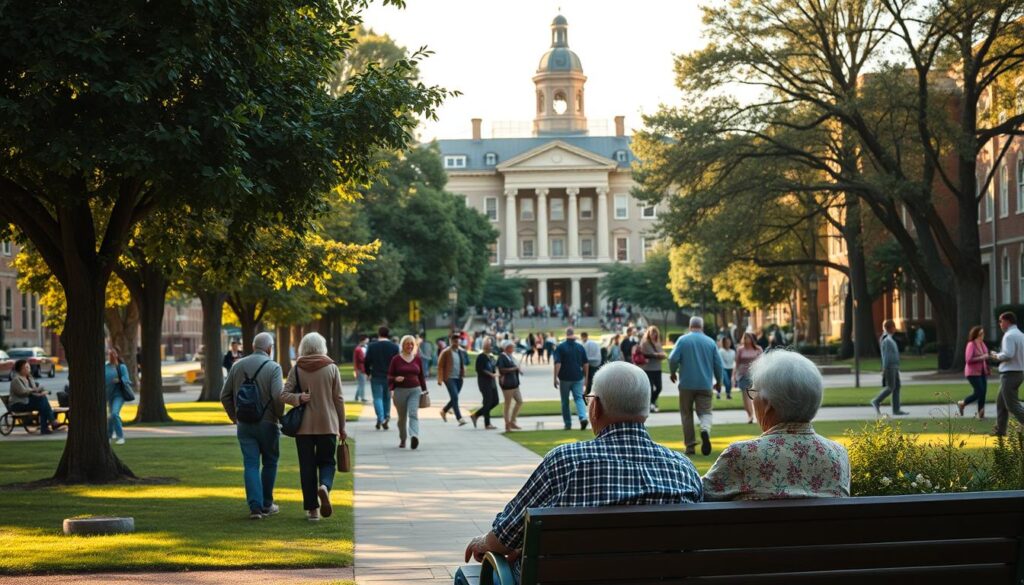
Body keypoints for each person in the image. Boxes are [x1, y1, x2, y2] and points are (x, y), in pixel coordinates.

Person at [459, 362, 703, 583]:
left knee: (466, 576)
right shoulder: (683, 469)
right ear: (645, 409)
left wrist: (484, 543)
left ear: (594, 406)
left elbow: (504, 536)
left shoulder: (565, 461)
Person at [702, 350, 850, 500]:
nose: (752, 401)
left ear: (768, 404)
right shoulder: (838, 455)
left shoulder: (742, 455)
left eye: (753, 393)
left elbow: (696, 495)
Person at [280, 332, 346, 521]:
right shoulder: (332, 367)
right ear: (322, 346)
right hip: (328, 424)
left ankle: (312, 511)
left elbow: (283, 394)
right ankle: (324, 486)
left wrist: (298, 398)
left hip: (304, 428)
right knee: (327, 462)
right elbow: (339, 399)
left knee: (307, 467)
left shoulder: (298, 368)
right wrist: (342, 426)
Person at [220, 332, 284, 519]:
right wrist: (279, 416)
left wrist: (234, 416)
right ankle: (267, 503)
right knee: (270, 462)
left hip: (245, 424)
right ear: (270, 348)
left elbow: (224, 395)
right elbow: (277, 396)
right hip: (268, 422)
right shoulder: (273, 367)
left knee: (250, 464)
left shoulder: (237, 366)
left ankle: (255, 507)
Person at [669, 317, 724, 456]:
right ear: (702, 326)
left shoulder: (683, 340)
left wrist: (672, 372)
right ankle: (705, 429)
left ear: (689, 326)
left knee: (686, 414)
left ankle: (690, 446)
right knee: (705, 412)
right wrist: (719, 381)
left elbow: (672, 358)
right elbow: (718, 364)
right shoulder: (710, 342)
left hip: (686, 384)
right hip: (705, 384)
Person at [387, 335, 427, 449]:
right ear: (402, 345)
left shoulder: (417, 358)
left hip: (415, 390)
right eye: (407, 343)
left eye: (412, 344)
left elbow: (421, 376)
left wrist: (425, 390)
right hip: (400, 392)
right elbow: (389, 375)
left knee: (413, 414)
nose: (409, 346)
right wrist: (395, 379)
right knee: (402, 419)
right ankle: (403, 438)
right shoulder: (396, 359)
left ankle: (414, 436)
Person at [990, 311, 1024, 436]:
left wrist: (995, 356)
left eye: (1000, 321)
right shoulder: (1020, 334)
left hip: (1010, 374)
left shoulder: (1009, 335)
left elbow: (1008, 354)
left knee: (1012, 405)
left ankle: (1001, 430)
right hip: (1018, 372)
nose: (999, 324)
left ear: (1007, 321)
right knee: (1001, 403)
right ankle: (1000, 430)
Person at [553, 327, 589, 431]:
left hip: (565, 378)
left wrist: (555, 377)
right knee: (579, 398)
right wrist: (586, 377)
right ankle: (583, 417)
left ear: (566, 335)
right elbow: (586, 363)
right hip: (578, 376)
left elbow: (558, 363)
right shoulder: (580, 347)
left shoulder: (560, 348)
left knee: (565, 401)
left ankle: (568, 424)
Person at [871, 319, 909, 416]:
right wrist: (884, 368)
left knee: (896, 387)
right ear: (890, 328)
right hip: (890, 366)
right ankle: (876, 401)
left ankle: (896, 409)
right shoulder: (887, 340)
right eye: (893, 327)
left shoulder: (889, 338)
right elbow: (886, 356)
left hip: (894, 366)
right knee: (891, 387)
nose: (895, 329)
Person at [8, 359, 57, 434]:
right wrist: (34, 390)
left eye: (29, 367)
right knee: (42, 402)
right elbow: (22, 392)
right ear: (20, 369)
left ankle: (47, 426)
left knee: (42, 402)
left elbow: (34, 391)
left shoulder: (30, 378)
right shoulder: (16, 380)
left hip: (27, 402)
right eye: (26, 367)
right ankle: (50, 422)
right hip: (18, 404)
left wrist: (41, 391)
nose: (28, 369)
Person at [365, 326, 400, 430]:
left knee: (377, 398)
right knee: (387, 398)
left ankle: (380, 417)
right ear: (388, 334)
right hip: (389, 376)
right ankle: (386, 416)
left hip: (376, 375)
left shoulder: (372, 346)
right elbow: (397, 363)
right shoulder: (394, 347)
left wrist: (368, 373)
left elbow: (366, 361)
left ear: (378, 333)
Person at [437, 332, 469, 426]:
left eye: (457, 340)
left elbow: (465, 362)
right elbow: (440, 366)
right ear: (450, 341)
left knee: (454, 398)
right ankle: (459, 418)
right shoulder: (446, 352)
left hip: (459, 378)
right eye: (454, 340)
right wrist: (440, 379)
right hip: (449, 378)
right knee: (455, 397)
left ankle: (444, 410)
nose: (456, 342)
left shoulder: (461, 351)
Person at [959, 326, 990, 419]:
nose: (982, 336)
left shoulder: (982, 344)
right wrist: (982, 357)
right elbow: (968, 359)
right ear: (975, 334)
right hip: (972, 373)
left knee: (983, 393)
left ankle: (981, 414)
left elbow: (986, 355)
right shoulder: (971, 344)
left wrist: (989, 359)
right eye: (980, 334)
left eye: (983, 334)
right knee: (979, 392)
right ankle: (963, 403)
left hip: (982, 372)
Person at [637, 326, 668, 412]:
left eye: (655, 333)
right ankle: (649, 405)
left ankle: (652, 402)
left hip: (657, 368)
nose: (654, 334)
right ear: (649, 333)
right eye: (652, 332)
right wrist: (657, 355)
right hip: (648, 368)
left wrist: (662, 355)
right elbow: (645, 354)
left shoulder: (657, 343)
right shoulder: (645, 342)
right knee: (649, 388)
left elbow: (661, 352)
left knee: (659, 387)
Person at [105, 348, 133, 444]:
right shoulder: (105, 367)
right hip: (109, 395)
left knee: (114, 414)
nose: (111, 355)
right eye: (109, 353)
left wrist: (120, 380)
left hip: (119, 395)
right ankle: (108, 436)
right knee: (110, 417)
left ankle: (120, 437)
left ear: (117, 355)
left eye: (113, 353)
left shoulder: (121, 367)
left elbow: (127, 379)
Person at [471, 337, 500, 430]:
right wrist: (491, 374)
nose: (490, 346)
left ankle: (476, 415)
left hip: (492, 382)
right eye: (487, 344)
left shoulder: (491, 357)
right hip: (484, 382)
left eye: (490, 344)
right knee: (487, 402)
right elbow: (480, 370)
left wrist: (497, 373)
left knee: (495, 401)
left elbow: (495, 367)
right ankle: (487, 424)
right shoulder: (481, 357)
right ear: (484, 346)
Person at [734, 333, 763, 424]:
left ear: (751, 339)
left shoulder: (758, 349)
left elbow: (762, 362)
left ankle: (757, 415)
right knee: (745, 396)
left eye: (747, 338)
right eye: (744, 338)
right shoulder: (740, 350)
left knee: (755, 396)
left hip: (755, 374)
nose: (746, 340)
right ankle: (750, 416)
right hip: (743, 375)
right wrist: (734, 375)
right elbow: (737, 363)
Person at [497, 340, 524, 432]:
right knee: (507, 405)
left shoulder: (511, 357)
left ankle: (512, 421)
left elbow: (516, 367)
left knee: (519, 401)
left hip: (515, 383)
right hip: (507, 384)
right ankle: (507, 424)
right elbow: (502, 370)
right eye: (511, 347)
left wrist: (518, 370)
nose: (513, 348)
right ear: (506, 348)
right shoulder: (502, 357)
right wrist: (513, 369)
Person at [353, 335, 368, 403]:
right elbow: (360, 359)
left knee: (361, 383)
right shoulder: (358, 349)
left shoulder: (360, 348)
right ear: (364, 340)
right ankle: (362, 397)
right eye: (366, 339)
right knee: (362, 383)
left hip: (360, 368)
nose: (367, 340)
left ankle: (357, 397)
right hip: (360, 368)